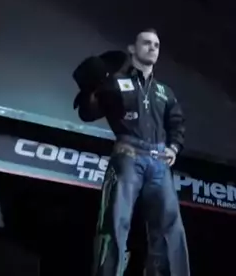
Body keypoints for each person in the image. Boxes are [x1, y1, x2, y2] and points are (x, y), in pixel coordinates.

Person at [73, 29, 190, 276]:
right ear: (132, 49)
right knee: (115, 222)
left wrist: (174, 147)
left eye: (156, 45)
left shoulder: (164, 91)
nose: (152, 48)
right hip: (128, 156)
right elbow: (88, 113)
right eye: (146, 43)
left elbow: (177, 122)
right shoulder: (116, 83)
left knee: (170, 228)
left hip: (159, 160)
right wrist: (92, 89)